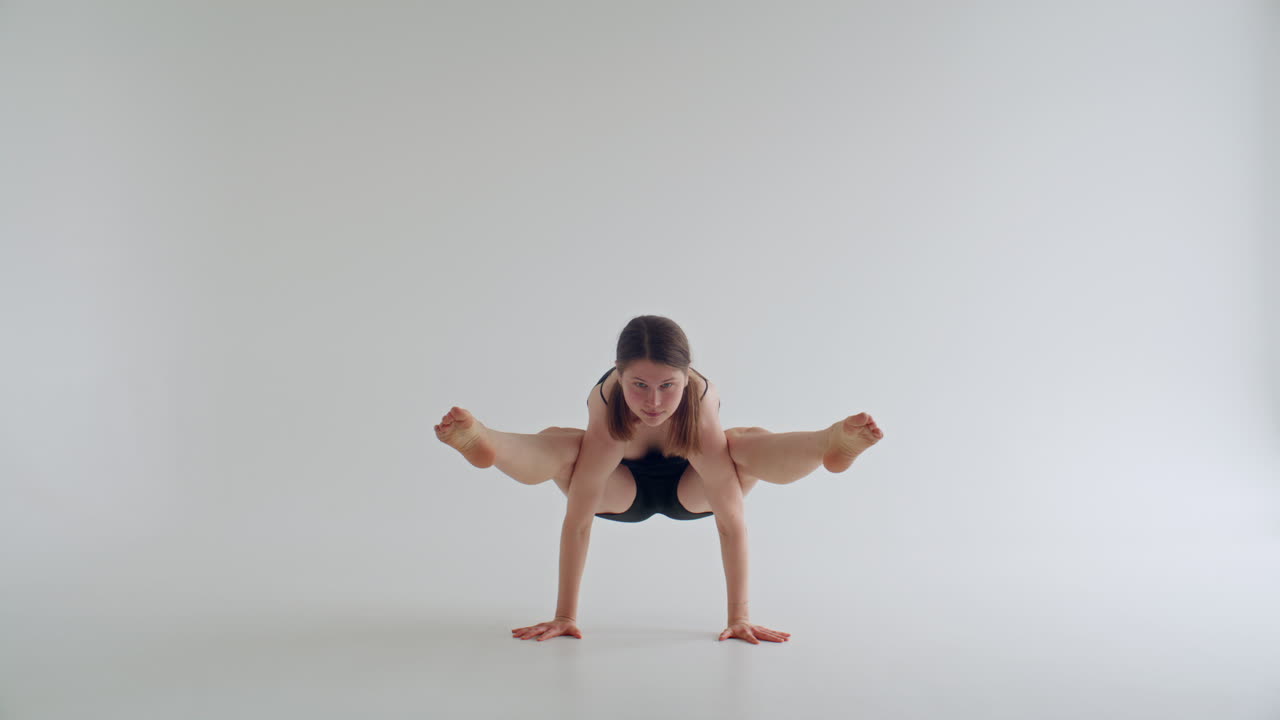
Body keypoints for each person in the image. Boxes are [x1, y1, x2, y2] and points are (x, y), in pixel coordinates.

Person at [433, 315, 884, 644]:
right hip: (620, 494)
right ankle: (488, 443)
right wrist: (565, 615)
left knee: (745, 443)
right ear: (619, 375)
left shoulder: (700, 408)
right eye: (639, 386)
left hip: (693, 492)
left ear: (687, 377)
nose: (653, 402)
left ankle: (827, 444)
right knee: (560, 443)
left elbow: (730, 518)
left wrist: (739, 616)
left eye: (668, 385)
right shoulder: (607, 411)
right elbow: (579, 518)